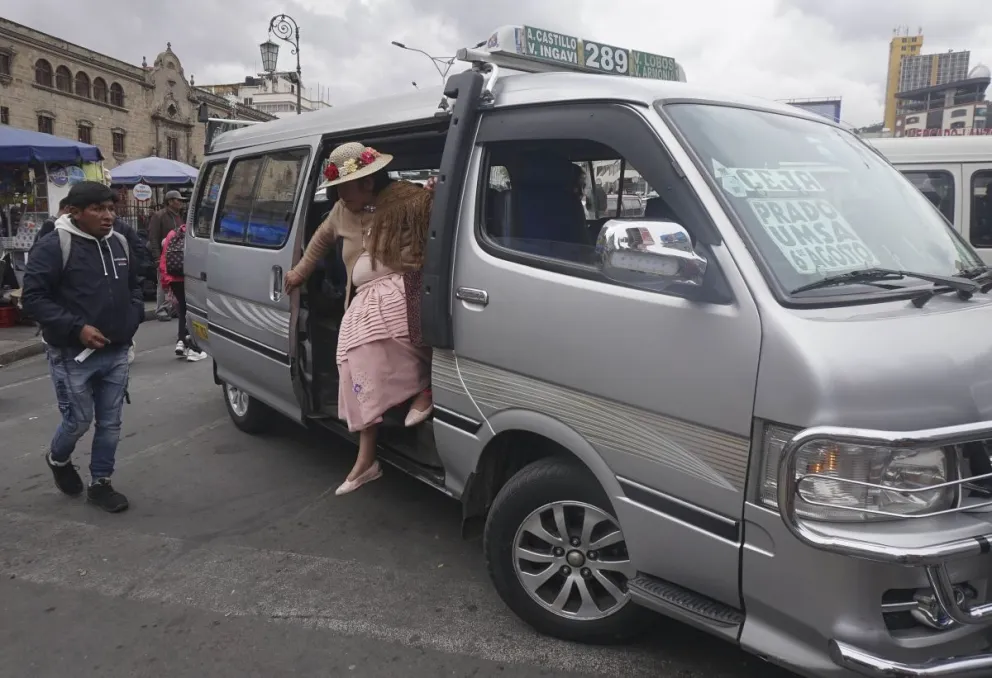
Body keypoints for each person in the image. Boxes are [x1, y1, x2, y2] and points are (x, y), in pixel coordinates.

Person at [284, 142, 433, 495]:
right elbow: (318, 244)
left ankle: (424, 389)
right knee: (354, 362)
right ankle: (367, 459)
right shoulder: (340, 212)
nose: (338, 195)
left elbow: (439, 222)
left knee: (397, 334)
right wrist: (297, 274)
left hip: (407, 291)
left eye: (342, 188)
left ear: (367, 182)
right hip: (362, 301)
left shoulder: (407, 199)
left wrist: (434, 197)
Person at [21, 181, 143, 513]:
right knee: (78, 421)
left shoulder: (120, 242)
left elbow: (135, 285)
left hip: (116, 351)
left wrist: (130, 321)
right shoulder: (54, 246)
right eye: (99, 209)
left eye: (111, 209)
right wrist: (77, 328)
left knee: (111, 423)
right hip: (72, 355)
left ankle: (100, 482)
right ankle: (58, 459)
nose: (108, 216)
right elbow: (32, 299)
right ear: (75, 212)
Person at [160, 223, 207, 361]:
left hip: (174, 279)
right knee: (196, 312)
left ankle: (181, 341)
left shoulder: (172, 234)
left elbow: (164, 259)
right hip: (192, 278)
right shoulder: (198, 234)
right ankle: (194, 348)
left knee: (182, 310)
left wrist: (166, 283)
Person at [147, 190, 185, 321]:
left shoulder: (178, 216)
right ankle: (162, 310)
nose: (180, 202)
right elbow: (153, 238)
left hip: (176, 255)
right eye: (177, 200)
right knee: (163, 284)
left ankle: (172, 308)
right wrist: (157, 258)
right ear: (169, 201)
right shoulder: (159, 216)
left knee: (175, 284)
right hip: (164, 255)